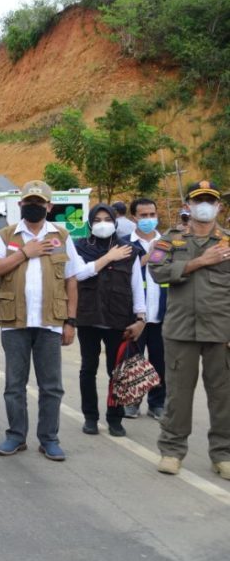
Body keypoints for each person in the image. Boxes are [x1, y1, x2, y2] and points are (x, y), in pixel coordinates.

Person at [0, 180, 88, 462]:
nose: (33, 206)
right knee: (14, 385)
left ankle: (49, 439)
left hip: (51, 323)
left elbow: (71, 280)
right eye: (29, 202)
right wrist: (23, 253)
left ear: (48, 206)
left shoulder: (62, 237)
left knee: (51, 386)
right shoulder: (5, 237)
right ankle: (16, 436)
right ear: (20, 205)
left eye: (39, 203)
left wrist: (71, 322)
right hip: (14, 322)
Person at [149, 180, 230, 479]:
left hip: (221, 332)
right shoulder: (170, 241)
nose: (205, 206)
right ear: (189, 206)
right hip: (181, 330)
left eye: (211, 200)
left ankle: (223, 454)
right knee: (178, 395)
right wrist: (198, 262)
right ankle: (171, 450)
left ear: (219, 206)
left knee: (223, 397)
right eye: (199, 201)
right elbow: (157, 271)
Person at [72, 204, 146, 438]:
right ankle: (90, 417)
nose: (102, 223)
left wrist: (140, 317)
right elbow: (79, 274)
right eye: (97, 219)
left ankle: (115, 418)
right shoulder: (79, 247)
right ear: (90, 223)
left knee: (117, 371)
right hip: (89, 318)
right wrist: (108, 257)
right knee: (88, 368)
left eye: (107, 219)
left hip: (119, 318)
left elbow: (137, 285)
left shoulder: (130, 250)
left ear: (115, 222)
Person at [126, 197, 168, 419]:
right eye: (143, 216)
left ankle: (157, 403)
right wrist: (147, 257)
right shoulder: (125, 243)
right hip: (136, 316)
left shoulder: (169, 242)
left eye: (152, 215)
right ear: (134, 218)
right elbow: (123, 274)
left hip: (163, 315)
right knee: (134, 361)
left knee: (160, 361)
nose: (149, 219)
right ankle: (132, 402)